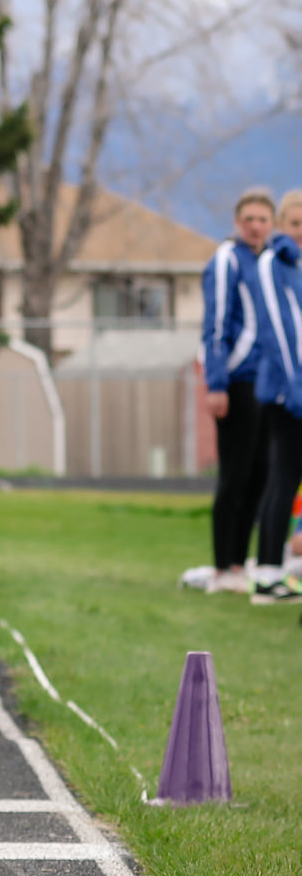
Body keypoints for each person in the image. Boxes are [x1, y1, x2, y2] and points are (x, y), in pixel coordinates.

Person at [197, 188, 274, 593]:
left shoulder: (270, 262)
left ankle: (239, 563)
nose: (256, 226)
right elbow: (215, 323)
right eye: (249, 219)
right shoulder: (228, 260)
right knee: (235, 475)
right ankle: (222, 565)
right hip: (237, 380)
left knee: (260, 474)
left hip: (267, 383)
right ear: (237, 222)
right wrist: (217, 382)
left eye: (263, 220)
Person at [248, 192, 302, 604]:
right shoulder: (272, 263)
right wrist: (296, 387)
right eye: (295, 224)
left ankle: (274, 570)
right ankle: (267, 575)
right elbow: (278, 331)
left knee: (287, 480)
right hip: (288, 391)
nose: (301, 232)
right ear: (282, 225)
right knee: (283, 479)